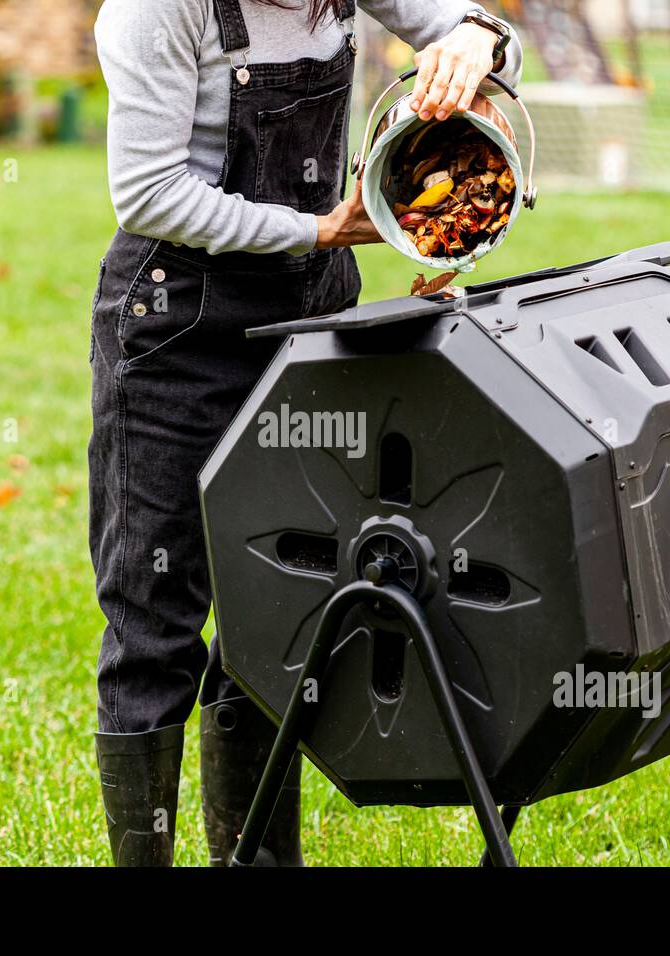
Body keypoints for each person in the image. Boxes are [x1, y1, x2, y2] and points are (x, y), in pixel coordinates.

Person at [90, 0, 523, 866]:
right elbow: (146, 192)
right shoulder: (155, 11)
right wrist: (317, 228)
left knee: (278, 609)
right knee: (154, 625)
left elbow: (471, 32)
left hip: (312, 318)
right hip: (180, 331)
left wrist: (480, 41)